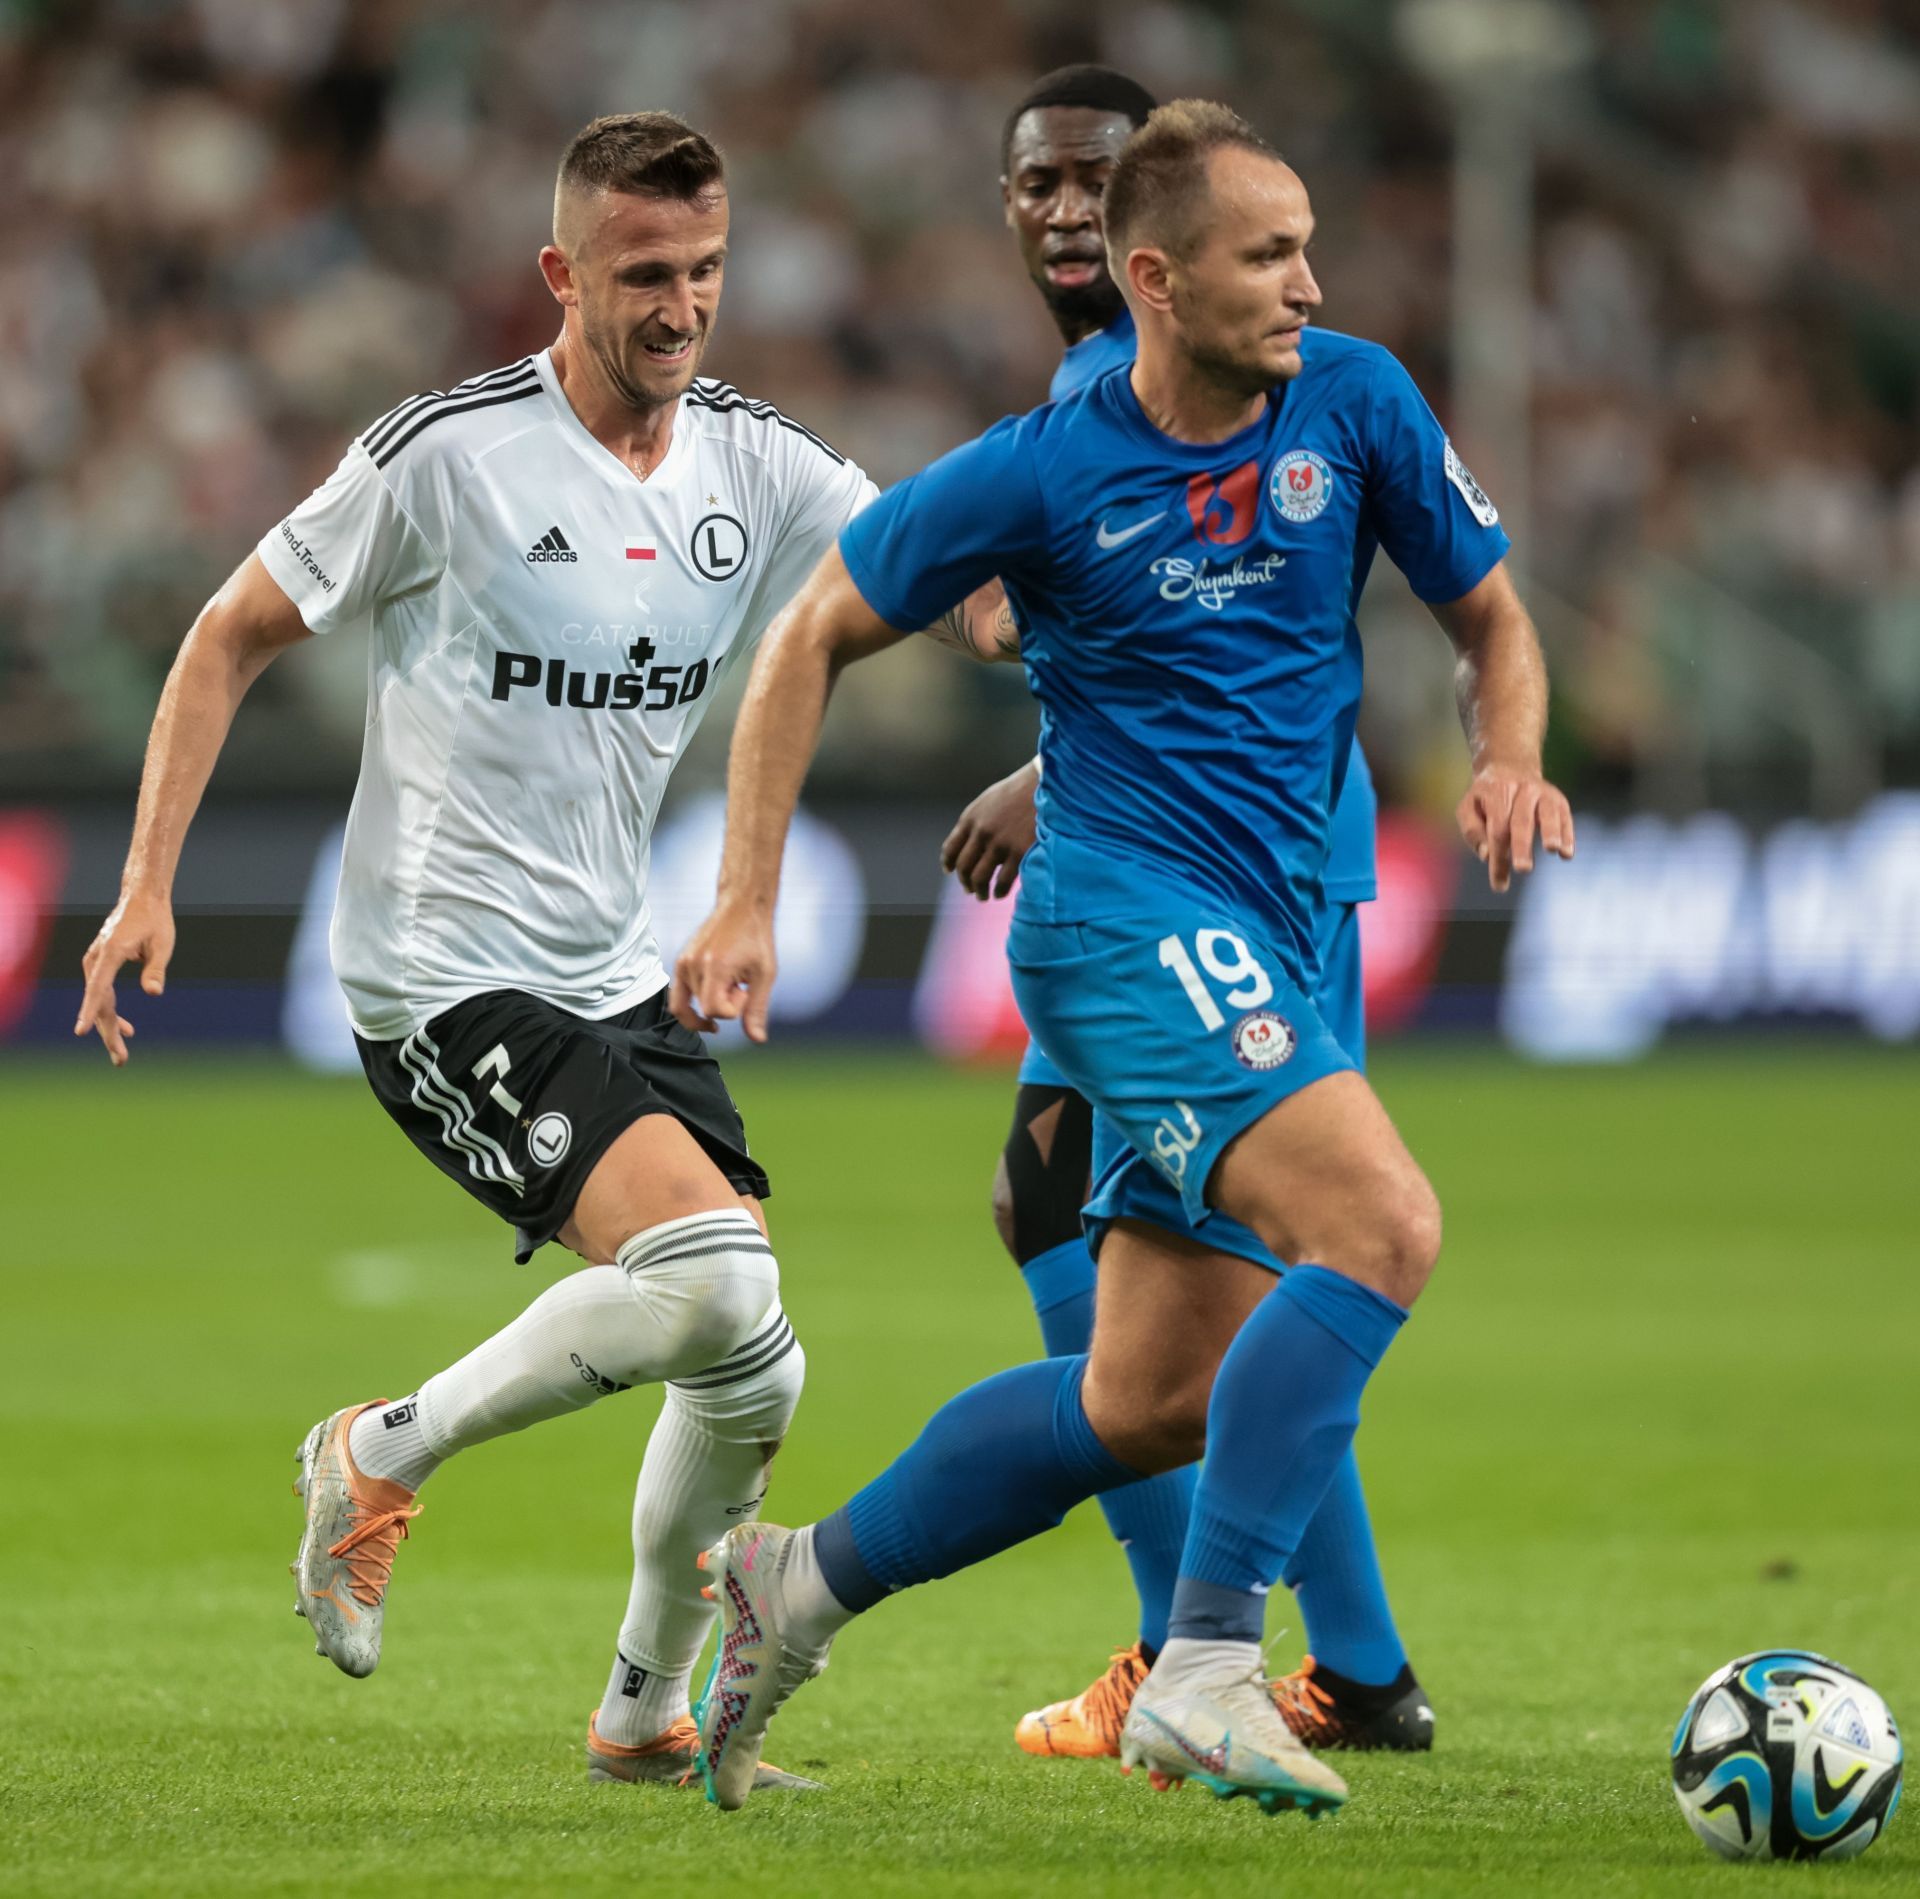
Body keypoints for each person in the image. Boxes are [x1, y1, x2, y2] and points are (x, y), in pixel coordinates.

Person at [72, 110, 991, 1791]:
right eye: (646, 275)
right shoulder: (448, 454)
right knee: (713, 1276)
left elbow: (952, 579)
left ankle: (640, 1715)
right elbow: (228, 636)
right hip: (436, 972)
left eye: (706, 271)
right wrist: (146, 884)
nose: (682, 307)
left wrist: (1062, 579)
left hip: (606, 966)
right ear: (564, 273)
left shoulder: (755, 465)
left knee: (750, 1354)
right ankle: (373, 1455)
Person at [672, 101, 1572, 1817]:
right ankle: (1220, 1665)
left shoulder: (1359, 399)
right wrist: (744, 896)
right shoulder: (1049, 462)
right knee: (1381, 1226)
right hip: (1121, 925)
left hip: (1280, 923)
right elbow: (808, 637)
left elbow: (1494, 622)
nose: (1308, 283)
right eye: (1268, 256)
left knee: (1153, 1400)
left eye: (1309, 245)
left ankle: (793, 1581)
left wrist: (1512, 749)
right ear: (1155, 282)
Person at [940, 63, 1426, 1764]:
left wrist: (1030, 745)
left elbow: (1230, 683)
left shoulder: (1205, 373)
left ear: (1156, 215)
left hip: (1260, 869)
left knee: (1238, 1231)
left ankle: (1215, 1653)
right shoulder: (1097, 389)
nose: (1061, 209)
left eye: (1091, 180)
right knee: (1133, 1226)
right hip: (1198, 865)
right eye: (1034, 185)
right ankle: (1343, 1664)